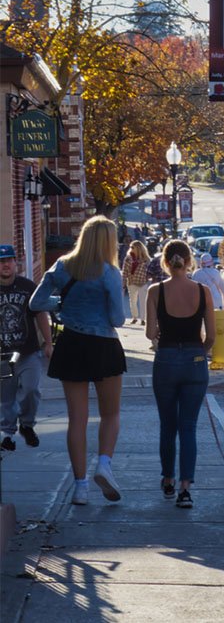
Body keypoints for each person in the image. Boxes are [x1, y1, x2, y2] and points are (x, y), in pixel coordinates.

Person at [30, 216, 127, 506]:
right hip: (103, 345)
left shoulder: (61, 266)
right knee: (110, 414)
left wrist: (61, 304)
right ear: (108, 242)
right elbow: (118, 319)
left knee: (77, 420)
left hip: (71, 343)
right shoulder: (109, 272)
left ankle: (80, 487)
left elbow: (36, 303)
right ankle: (104, 465)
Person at [146, 241, 215, 509]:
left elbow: (151, 333)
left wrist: (162, 335)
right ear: (189, 262)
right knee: (188, 427)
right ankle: (186, 489)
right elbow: (211, 336)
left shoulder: (155, 291)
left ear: (165, 262)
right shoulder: (203, 291)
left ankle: (168, 479)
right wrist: (201, 352)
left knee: (168, 425)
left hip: (165, 360)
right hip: (195, 360)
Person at [1, 244, 52, 451]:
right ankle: (7, 433)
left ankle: (27, 425)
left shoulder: (28, 287)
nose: (5, 265)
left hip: (27, 351)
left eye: (8, 260)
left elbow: (40, 314)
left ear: (15, 263)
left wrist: (48, 343)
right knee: (6, 397)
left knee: (31, 390)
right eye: (1, 262)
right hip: (3, 355)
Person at [122, 240, 152, 325]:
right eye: (130, 247)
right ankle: (134, 317)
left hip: (142, 282)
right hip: (131, 282)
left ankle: (143, 319)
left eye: (133, 247)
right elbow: (124, 271)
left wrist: (148, 277)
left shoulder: (146, 259)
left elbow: (149, 270)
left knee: (143, 301)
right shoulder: (128, 258)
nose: (131, 249)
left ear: (138, 248)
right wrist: (123, 282)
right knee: (133, 301)